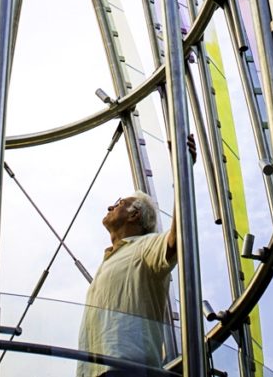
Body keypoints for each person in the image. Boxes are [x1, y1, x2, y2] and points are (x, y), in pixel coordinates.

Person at [77, 137, 195, 377]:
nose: (110, 207)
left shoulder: (144, 247)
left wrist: (183, 170)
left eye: (120, 203)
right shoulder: (109, 259)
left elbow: (177, 238)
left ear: (134, 215)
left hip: (129, 370)